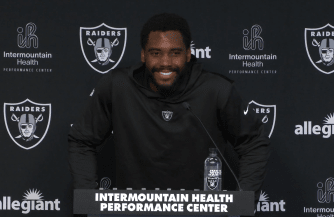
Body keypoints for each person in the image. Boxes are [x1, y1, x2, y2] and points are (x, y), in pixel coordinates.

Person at [68, 13, 270, 207]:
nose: (165, 63)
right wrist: (89, 203)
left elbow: (253, 143)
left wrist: (243, 205)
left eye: (175, 53)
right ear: (143, 55)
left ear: (188, 54)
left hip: (199, 214)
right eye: (156, 53)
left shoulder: (216, 90)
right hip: (133, 213)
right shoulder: (117, 86)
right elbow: (82, 140)